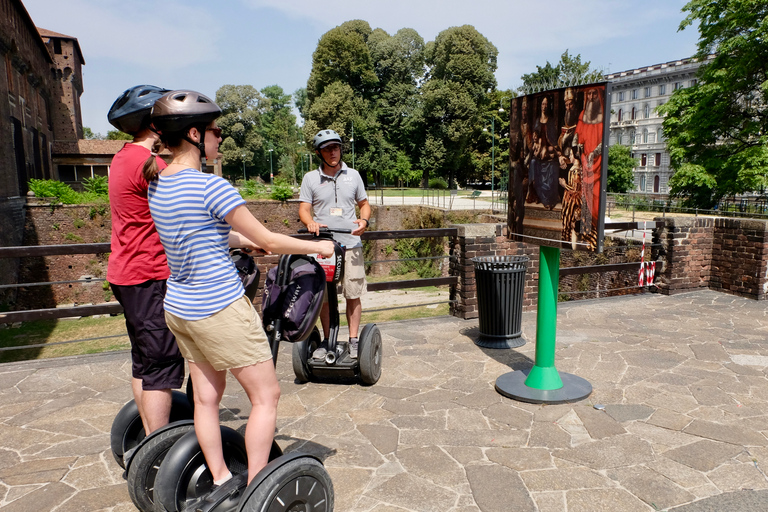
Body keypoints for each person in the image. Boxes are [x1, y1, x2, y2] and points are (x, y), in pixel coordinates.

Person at [144, 90, 334, 491]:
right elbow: (271, 239)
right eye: (215, 131)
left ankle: (222, 478)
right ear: (194, 134)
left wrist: (234, 240)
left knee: (206, 399)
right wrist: (318, 246)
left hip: (181, 307)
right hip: (220, 307)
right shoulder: (213, 187)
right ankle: (258, 489)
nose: (219, 139)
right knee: (267, 396)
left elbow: (193, 232)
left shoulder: (157, 184)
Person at [106, 85, 184, 435]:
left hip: (125, 273)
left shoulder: (121, 157)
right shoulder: (151, 165)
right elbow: (186, 213)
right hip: (149, 274)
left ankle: (148, 440)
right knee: (160, 366)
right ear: (155, 123)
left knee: (142, 362)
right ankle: (157, 452)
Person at [299, 129, 371, 360]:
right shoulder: (311, 178)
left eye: (336, 147)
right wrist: (310, 222)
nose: (333, 152)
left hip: (351, 244)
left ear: (341, 149)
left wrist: (364, 220)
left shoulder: (354, 175)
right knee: (325, 296)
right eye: (328, 148)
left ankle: (353, 339)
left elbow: (364, 203)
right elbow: (304, 209)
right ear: (319, 152)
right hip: (325, 247)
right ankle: (328, 339)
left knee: (353, 293)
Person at [574, 86, 605, 250]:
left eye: (594, 93)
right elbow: (578, 135)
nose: (592, 96)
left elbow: (603, 140)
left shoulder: (603, 116)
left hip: (596, 161)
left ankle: (595, 226)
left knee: (596, 194)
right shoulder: (582, 115)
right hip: (585, 161)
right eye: (589, 93)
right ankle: (585, 230)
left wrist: (595, 152)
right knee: (584, 193)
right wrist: (578, 147)